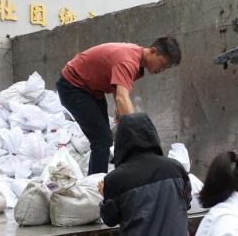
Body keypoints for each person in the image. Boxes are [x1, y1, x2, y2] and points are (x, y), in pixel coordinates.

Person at [57, 37, 181, 174]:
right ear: (153, 51)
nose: (161, 69)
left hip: (91, 90)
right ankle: (94, 186)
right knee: (102, 140)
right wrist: (141, 138)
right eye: (162, 64)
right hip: (73, 86)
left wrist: (121, 108)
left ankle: (100, 179)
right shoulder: (129, 61)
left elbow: (120, 91)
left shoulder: (136, 57)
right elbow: (122, 97)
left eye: (165, 68)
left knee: (105, 139)